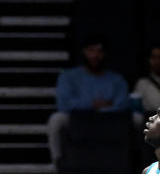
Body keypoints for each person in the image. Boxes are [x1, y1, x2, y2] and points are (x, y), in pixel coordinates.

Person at [47, 34, 131, 165]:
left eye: (99, 51)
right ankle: (57, 163)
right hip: (77, 119)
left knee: (137, 119)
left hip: (108, 120)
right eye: (91, 51)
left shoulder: (117, 80)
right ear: (84, 52)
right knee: (56, 119)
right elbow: (63, 104)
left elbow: (122, 105)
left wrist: (100, 109)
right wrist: (93, 104)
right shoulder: (68, 76)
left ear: (105, 54)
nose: (95, 56)